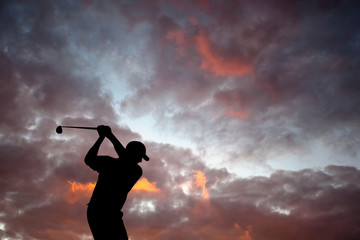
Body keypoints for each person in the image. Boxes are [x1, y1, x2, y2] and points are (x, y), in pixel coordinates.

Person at [84, 125, 149, 239]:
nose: (140, 160)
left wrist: (108, 135)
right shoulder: (110, 163)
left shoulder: (135, 170)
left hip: (108, 213)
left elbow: (125, 159)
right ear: (133, 154)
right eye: (139, 156)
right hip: (99, 212)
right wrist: (102, 137)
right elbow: (89, 159)